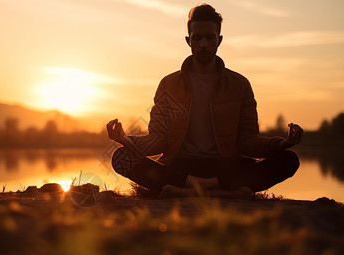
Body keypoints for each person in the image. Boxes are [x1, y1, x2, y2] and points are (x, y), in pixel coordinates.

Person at [106, 4, 303, 197]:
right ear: (188, 41)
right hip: (182, 165)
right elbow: (159, 140)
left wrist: (281, 144)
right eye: (197, 38)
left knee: (288, 160)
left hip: (225, 166)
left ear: (219, 40)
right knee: (121, 157)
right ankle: (222, 190)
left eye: (210, 37)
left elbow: (247, 141)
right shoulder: (169, 84)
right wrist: (125, 139)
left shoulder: (240, 84)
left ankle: (189, 188)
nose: (203, 44)